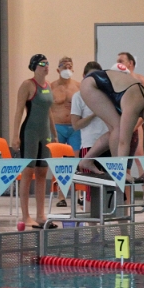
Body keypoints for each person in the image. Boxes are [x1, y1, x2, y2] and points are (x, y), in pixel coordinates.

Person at [79, 61, 144, 167]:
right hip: (91, 85)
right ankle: (118, 168)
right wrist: (121, 170)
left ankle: (86, 161)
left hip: (105, 89)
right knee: (118, 129)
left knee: (114, 131)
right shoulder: (136, 103)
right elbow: (123, 142)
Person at [12, 54, 57, 229]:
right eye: (42, 64)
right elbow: (18, 111)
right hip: (30, 132)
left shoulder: (49, 85)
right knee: (27, 173)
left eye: (47, 63)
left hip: (44, 134)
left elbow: (49, 112)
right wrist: (15, 135)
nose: (46, 67)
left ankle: (40, 214)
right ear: (34, 67)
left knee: (42, 173)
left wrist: (54, 134)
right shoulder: (27, 85)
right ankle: (25, 216)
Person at [71, 62, 111, 205]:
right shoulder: (78, 96)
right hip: (89, 146)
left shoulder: (107, 95)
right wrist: (94, 113)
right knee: (91, 193)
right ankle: (91, 220)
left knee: (113, 189)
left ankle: (116, 219)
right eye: (90, 76)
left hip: (109, 146)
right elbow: (76, 125)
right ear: (84, 77)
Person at [117, 52, 144, 202]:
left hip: (137, 123)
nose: (118, 64)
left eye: (121, 61)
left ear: (130, 63)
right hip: (124, 124)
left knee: (141, 159)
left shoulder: (140, 80)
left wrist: (138, 123)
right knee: (125, 162)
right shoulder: (119, 81)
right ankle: (126, 198)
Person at [50, 56, 82, 207]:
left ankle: (79, 194)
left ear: (73, 69)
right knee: (59, 163)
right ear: (58, 70)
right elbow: (47, 109)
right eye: (64, 66)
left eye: (69, 66)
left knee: (77, 161)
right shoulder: (51, 87)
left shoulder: (78, 86)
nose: (67, 69)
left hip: (75, 127)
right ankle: (61, 196)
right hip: (58, 127)